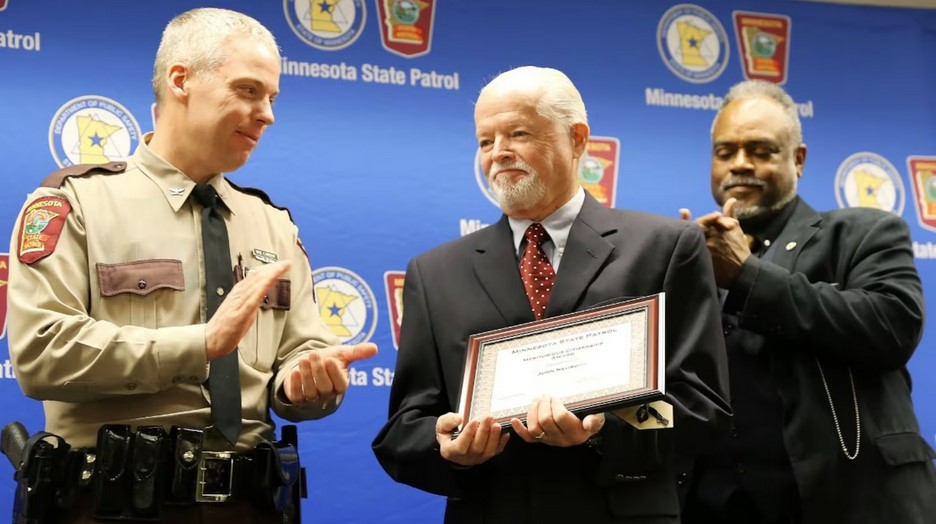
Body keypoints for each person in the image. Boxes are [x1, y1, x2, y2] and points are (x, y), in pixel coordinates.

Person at [6, 7, 377, 522]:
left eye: (271, 98)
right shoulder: (74, 202)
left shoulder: (274, 224)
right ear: (180, 80)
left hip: (251, 506)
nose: (267, 114)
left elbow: (301, 352)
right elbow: (42, 353)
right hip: (114, 506)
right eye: (248, 90)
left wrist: (304, 380)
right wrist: (200, 344)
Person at [372, 66, 730, 523]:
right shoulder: (435, 273)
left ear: (577, 139)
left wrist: (603, 428)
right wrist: (445, 445)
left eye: (517, 134)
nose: (498, 152)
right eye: (485, 141)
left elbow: (700, 409)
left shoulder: (664, 248)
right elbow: (405, 429)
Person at [679, 79, 936, 524]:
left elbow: (893, 325)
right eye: (725, 152)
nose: (740, 164)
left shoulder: (863, 231)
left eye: (761, 151)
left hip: (850, 501)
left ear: (798, 159)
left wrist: (746, 275)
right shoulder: (689, 257)